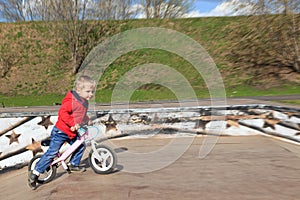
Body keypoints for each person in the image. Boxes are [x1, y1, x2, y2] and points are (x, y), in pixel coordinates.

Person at [28, 75, 96, 189]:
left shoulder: (84, 102)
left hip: (72, 131)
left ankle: (73, 164)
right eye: (88, 91)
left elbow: (80, 115)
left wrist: (87, 120)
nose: (91, 94)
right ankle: (35, 172)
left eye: (92, 91)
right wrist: (72, 124)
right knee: (52, 152)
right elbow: (63, 114)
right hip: (61, 131)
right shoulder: (71, 102)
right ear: (78, 91)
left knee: (80, 146)